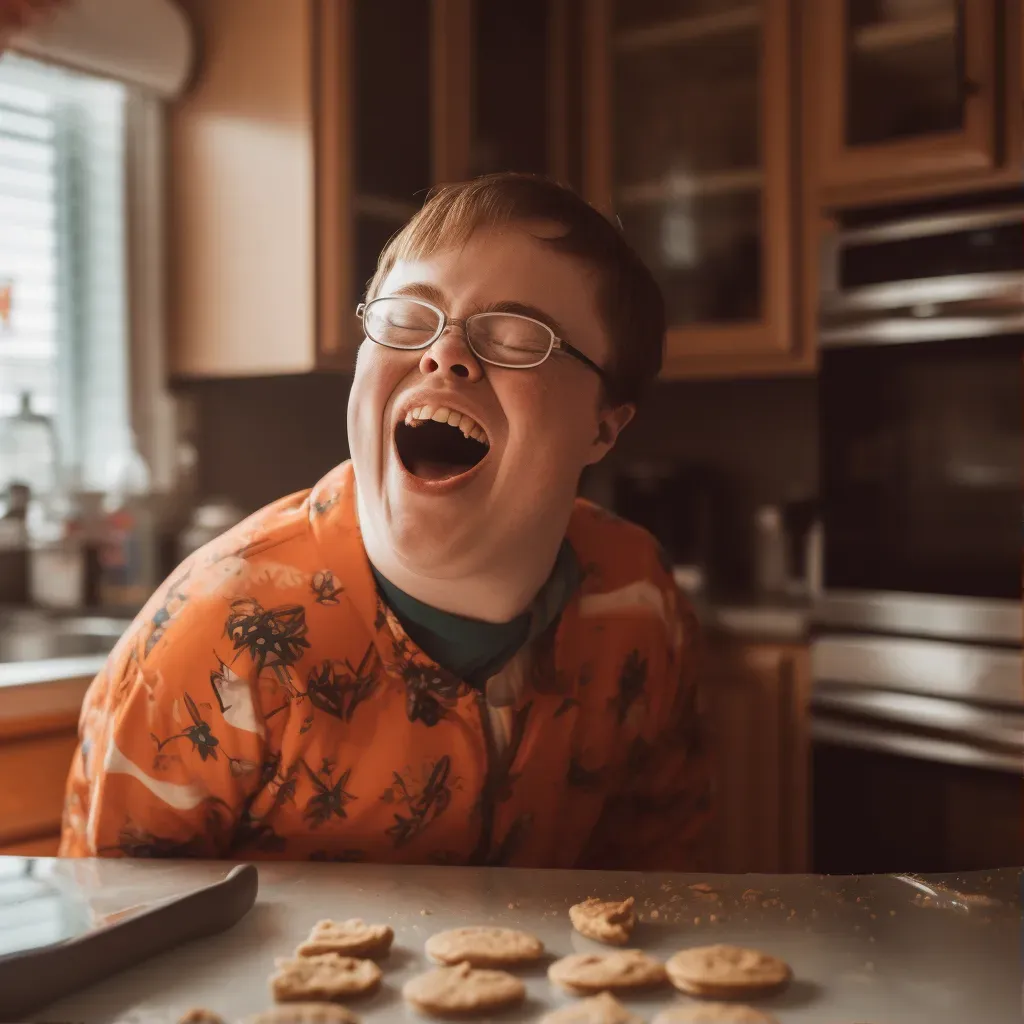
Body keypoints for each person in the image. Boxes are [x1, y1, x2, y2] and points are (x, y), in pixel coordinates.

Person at [60, 173, 711, 869]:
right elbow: (116, 939)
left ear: (603, 431)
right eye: (406, 320)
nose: (443, 354)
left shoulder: (637, 602)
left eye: (518, 336)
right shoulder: (219, 637)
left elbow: (664, 885)